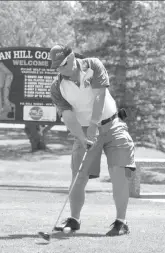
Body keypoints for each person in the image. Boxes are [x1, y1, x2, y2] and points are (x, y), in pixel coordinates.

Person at [49, 44, 136, 236]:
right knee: (78, 176)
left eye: (63, 64)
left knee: (118, 173)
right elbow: (68, 116)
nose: (61, 69)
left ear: (71, 57)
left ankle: (121, 221)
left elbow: (100, 97)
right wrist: (82, 136)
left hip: (113, 125)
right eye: (56, 66)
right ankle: (74, 219)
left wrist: (94, 128)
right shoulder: (57, 87)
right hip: (84, 129)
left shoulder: (93, 66)